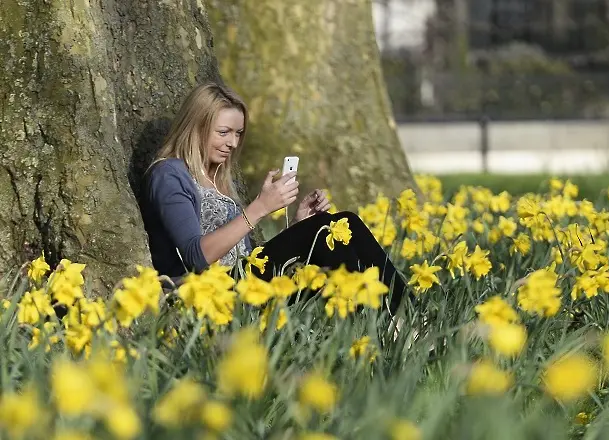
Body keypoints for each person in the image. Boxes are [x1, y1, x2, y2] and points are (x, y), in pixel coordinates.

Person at [140, 82, 408, 314]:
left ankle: (396, 318)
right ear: (196, 127)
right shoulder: (169, 174)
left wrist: (298, 227)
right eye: (223, 133)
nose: (233, 143)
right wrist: (260, 208)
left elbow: (244, 255)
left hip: (242, 280)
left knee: (338, 226)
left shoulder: (218, 178)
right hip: (209, 292)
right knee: (330, 229)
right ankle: (396, 319)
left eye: (238, 134)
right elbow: (196, 256)